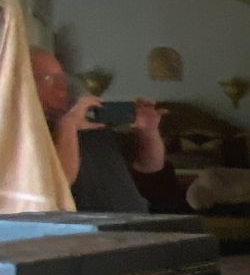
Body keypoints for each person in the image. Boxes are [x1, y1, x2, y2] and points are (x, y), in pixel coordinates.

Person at [31, 48, 173, 213]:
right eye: (49, 78)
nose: (62, 85)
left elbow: (151, 165)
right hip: (91, 234)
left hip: (136, 226)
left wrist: (149, 132)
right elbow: (57, 185)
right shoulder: (24, 134)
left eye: (62, 77)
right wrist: (68, 125)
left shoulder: (91, 125)